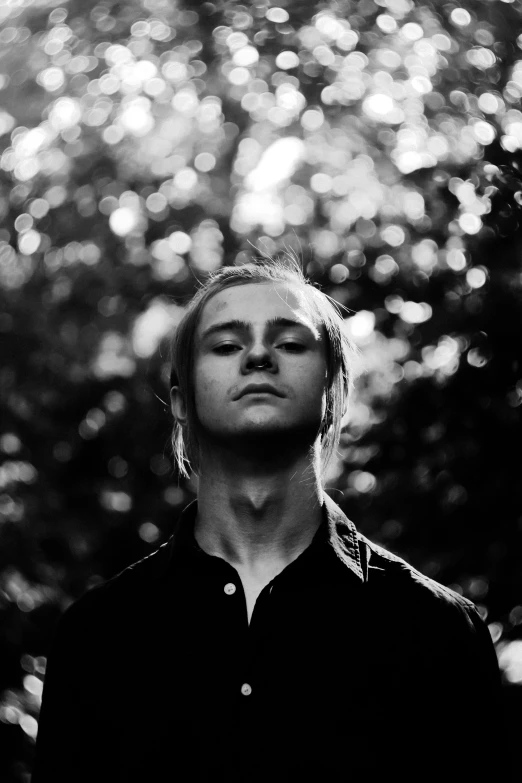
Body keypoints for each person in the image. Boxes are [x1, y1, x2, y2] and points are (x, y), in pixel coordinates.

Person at [34, 257, 507, 782]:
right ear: (181, 403)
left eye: (289, 343)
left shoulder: (440, 633)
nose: (258, 355)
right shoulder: (97, 638)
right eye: (227, 345)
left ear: (335, 395)